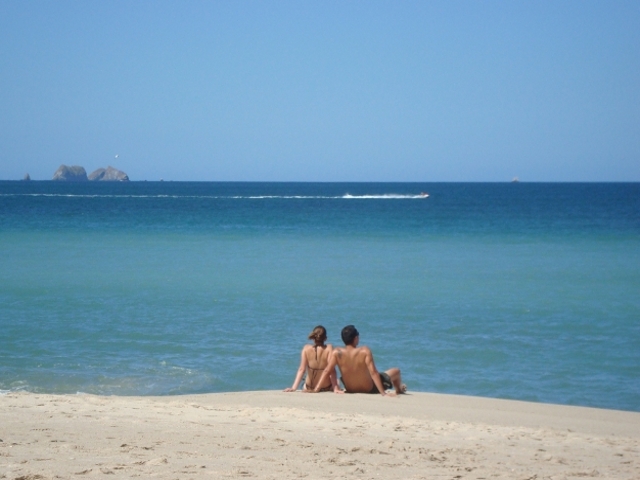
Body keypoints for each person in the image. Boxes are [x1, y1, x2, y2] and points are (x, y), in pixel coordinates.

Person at [309, 325, 406, 396]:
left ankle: (399, 388)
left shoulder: (337, 352)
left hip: (350, 389)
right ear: (355, 338)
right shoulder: (364, 351)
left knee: (381, 375)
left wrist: (317, 389)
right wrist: (383, 393)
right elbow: (373, 373)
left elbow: (327, 371)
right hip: (369, 389)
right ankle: (399, 390)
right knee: (396, 371)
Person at [283, 325, 341, 393]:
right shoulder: (329, 348)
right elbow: (331, 370)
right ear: (325, 338)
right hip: (325, 387)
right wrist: (335, 388)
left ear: (313, 338)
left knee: (305, 380)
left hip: (308, 387)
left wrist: (293, 388)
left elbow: (302, 369)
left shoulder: (306, 348)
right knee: (337, 381)